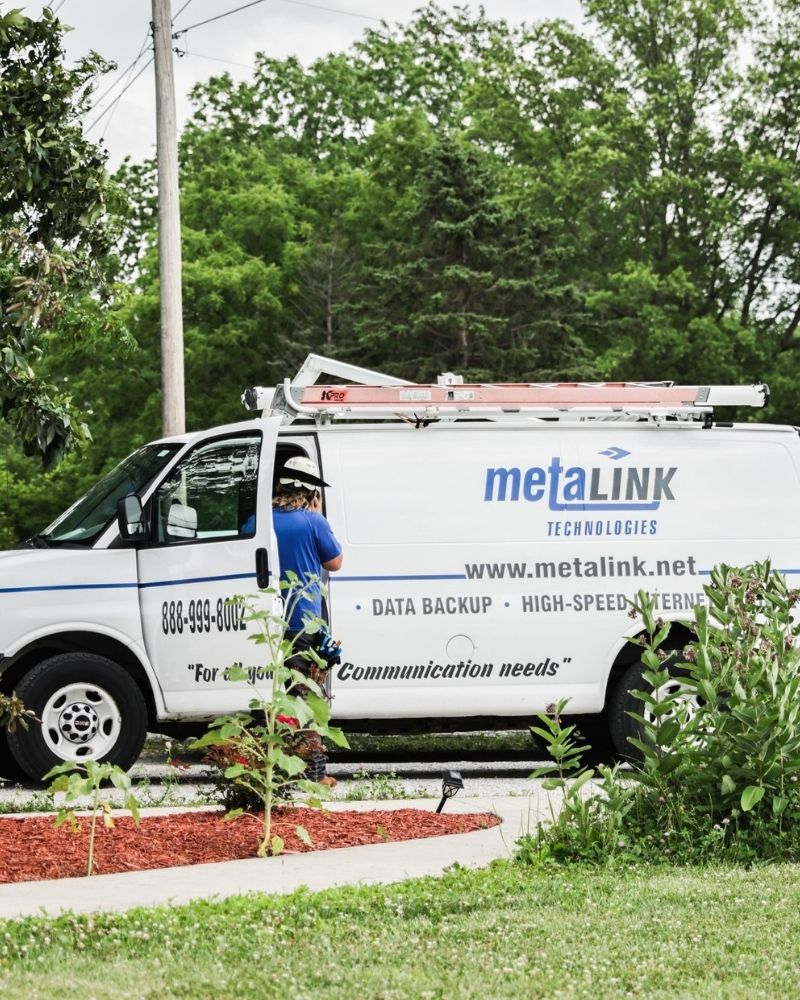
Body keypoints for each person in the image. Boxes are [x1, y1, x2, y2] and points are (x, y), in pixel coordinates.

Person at [272, 455, 343, 787]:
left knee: (280, 694)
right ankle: (313, 773)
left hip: (270, 620)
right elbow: (335, 562)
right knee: (307, 694)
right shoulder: (314, 522)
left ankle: (277, 766)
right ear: (312, 492)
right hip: (305, 621)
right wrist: (318, 516)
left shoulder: (260, 520)